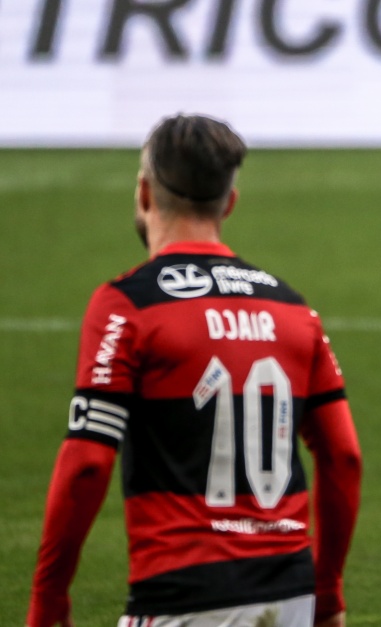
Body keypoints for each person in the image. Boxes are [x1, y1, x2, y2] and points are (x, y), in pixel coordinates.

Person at [27, 114, 362, 627]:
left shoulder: (126, 306)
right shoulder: (293, 309)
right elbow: (343, 458)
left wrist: (49, 597)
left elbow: (88, 463)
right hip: (290, 593)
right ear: (229, 203)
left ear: (143, 193)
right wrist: (328, 591)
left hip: (182, 594)